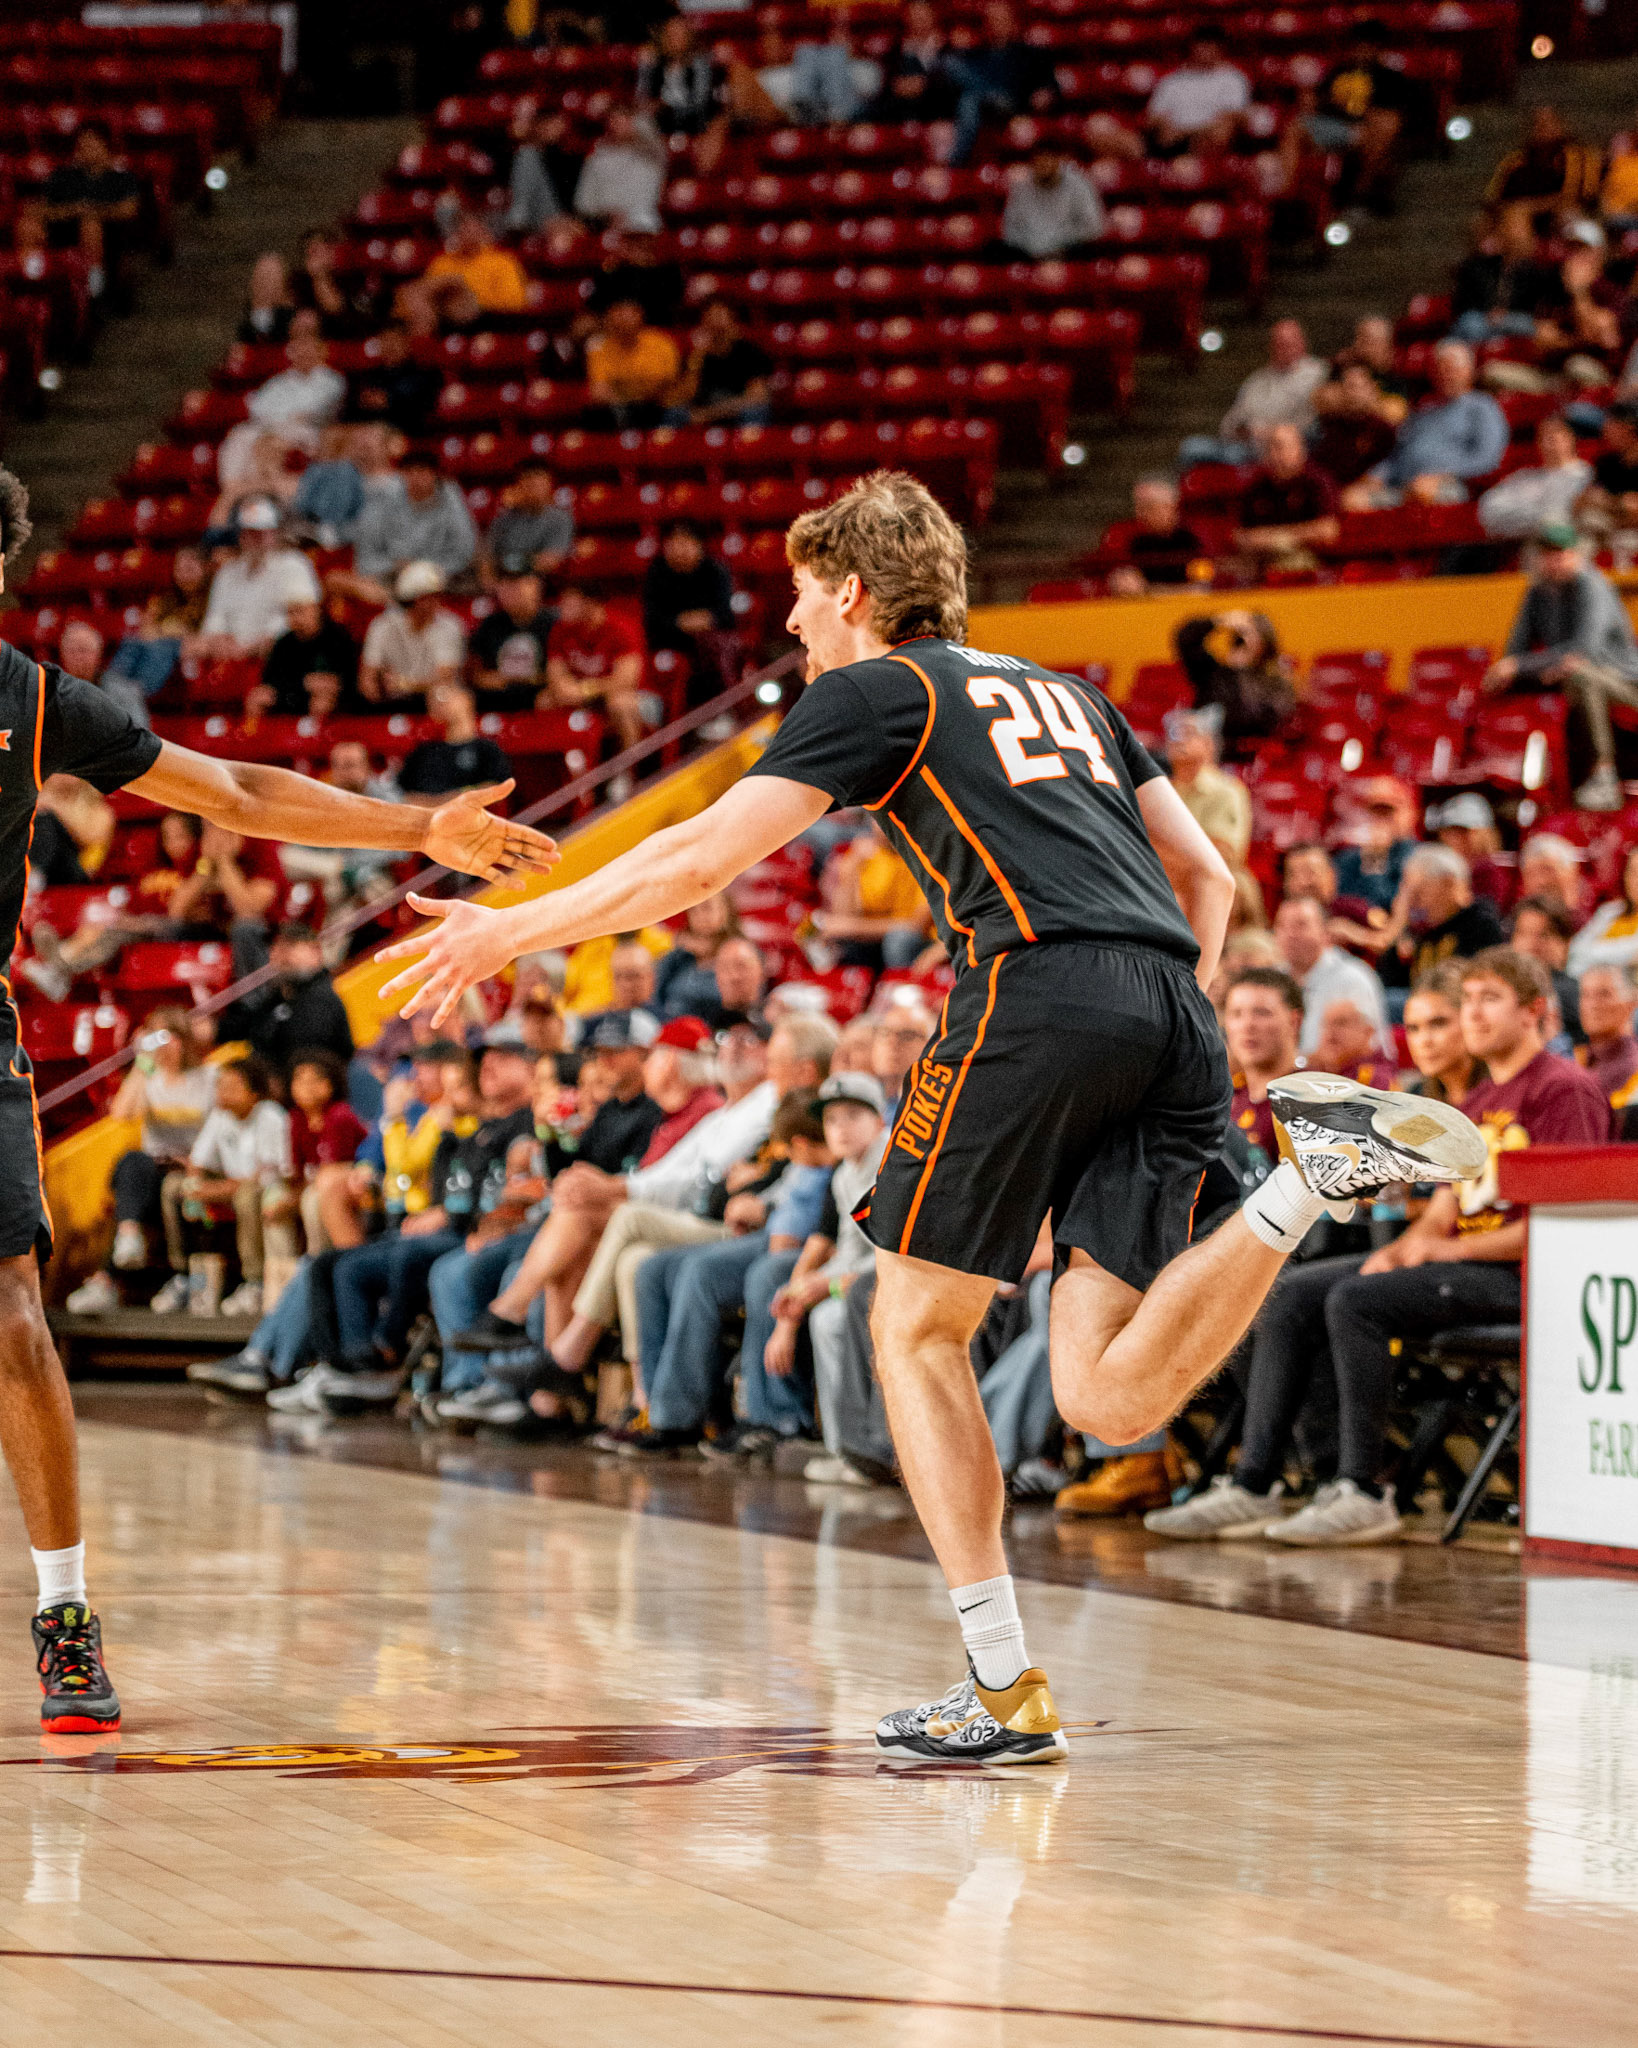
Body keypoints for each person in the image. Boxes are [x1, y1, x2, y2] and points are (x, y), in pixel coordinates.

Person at [379, 468, 1487, 1764]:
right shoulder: (1072, 694)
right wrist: (1153, 1016)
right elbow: (1206, 871)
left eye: (803, 598)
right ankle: (1309, 1179)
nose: (792, 626)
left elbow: (697, 859)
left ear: (852, 591)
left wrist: (511, 930)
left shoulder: (875, 690)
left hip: (1034, 990)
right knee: (1106, 1396)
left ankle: (1001, 1685)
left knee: (910, 1323)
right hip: (1169, 1004)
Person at [0, 461, 559, 1731]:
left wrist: (415, 828)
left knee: (14, 1314)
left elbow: (238, 792)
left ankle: (65, 1613)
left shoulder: (28, 701)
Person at [1262, 949, 1610, 1547]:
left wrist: (1442, 1254)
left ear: (1533, 1011)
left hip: (1528, 1275)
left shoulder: (1563, 1089)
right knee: (1296, 1291)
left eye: (1489, 999)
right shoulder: (1475, 1102)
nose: (1473, 1013)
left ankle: (1366, 1489)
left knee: (1355, 1301)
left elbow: (1562, 1225)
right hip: (1468, 1266)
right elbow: (1444, 1212)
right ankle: (1273, 1479)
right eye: (1467, 999)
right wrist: (1402, 1251)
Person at [65, 1011, 219, 1315]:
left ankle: (119, 1276)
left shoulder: (209, 1077)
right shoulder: (150, 1078)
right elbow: (121, 1114)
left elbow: (221, 1130)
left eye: (166, 1036)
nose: (162, 1044)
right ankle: (126, 1244)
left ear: (182, 1039)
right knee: (132, 1164)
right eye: (153, 1036)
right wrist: (141, 1064)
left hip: (200, 1166)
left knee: (158, 1186)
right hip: (155, 1169)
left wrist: (194, 1162)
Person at [1482, 524, 1638, 812]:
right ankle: (1510, 781)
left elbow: (1585, 650)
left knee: (1580, 675)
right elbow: (1515, 651)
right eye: (1548, 554)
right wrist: (1522, 668)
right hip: (1571, 677)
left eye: (1561, 553)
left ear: (1576, 554)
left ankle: (1603, 774)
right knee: (1503, 681)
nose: (1555, 560)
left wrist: (1524, 665)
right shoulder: (1537, 592)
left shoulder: (1591, 585)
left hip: (1626, 683)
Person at [150, 1053, 292, 1320]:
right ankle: (184, 1273)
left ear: (254, 1093)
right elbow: (197, 1161)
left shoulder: (271, 1116)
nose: (222, 1092)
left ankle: (254, 1282)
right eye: (220, 1085)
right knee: (173, 1187)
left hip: (266, 1192)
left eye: (231, 1086)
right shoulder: (220, 1116)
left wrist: (212, 1191)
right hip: (229, 1186)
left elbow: (265, 1178)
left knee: (247, 1196)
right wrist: (193, 1186)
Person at [1341, 341, 1509, 510]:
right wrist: (1376, 476)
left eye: (1451, 369)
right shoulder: (1423, 410)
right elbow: (1398, 455)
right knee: (1351, 500)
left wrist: (1441, 476)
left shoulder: (1483, 406)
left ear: (1469, 371)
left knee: (1422, 493)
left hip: (1455, 486)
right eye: (1440, 369)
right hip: (1404, 487)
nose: (1445, 375)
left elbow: (1488, 458)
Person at [1178, 320, 1326, 471]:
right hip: (1242, 444)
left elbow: (1310, 424)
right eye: (1279, 343)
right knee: (1192, 446)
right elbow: (1230, 423)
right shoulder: (1257, 380)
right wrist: (1243, 430)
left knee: (1231, 455)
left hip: (1280, 448)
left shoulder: (1318, 374)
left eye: (1289, 343)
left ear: (1302, 343)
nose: (1284, 348)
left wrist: (1266, 432)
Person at [198, 499, 322, 660]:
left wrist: (257, 644)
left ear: (274, 533)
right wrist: (220, 640)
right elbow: (215, 618)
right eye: (249, 533)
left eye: (261, 533)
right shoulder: (228, 572)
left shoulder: (294, 565)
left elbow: (304, 617)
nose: (254, 539)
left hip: (277, 656)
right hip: (229, 656)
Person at [1375, 845, 1506, 998]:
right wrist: (1399, 930)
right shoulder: (1417, 929)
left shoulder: (1480, 925)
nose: (1413, 901)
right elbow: (1386, 980)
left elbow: (1467, 987)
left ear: (1448, 883)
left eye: (1419, 891)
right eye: (1409, 892)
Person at [1308, 20, 1409, 214]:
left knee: (1385, 128)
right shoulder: (1338, 72)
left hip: (1368, 131)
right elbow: (1318, 103)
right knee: (1296, 127)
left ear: (1377, 48)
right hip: (1335, 126)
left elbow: (1394, 114)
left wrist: (1363, 116)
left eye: (1367, 45)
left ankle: (1361, 192)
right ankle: (1285, 195)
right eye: (1357, 45)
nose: (1361, 50)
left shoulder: (1390, 78)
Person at [226, 921, 355, 1072]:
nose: (278, 953)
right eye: (275, 947)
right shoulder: (278, 998)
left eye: (290, 946)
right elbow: (246, 1025)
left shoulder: (321, 1000)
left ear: (315, 952)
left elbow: (306, 1058)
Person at [942, 1, 1056, 167]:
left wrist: (1046, 92)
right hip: (986, 104)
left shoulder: (1030, 54)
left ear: (1013, 22)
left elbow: (1050, 85)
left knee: (969, 97)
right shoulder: (977, 54)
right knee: (961, 84)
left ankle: (958, 159)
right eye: (993, 20)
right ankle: (959, 160)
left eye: (1002, 19)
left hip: (1015, 104)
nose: (997, 25)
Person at [1271, 895, 1388, 1055]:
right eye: (1282, 925)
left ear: (1326, 933)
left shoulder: (1354, 979)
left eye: (1301, 925)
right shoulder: (1271, 980)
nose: (1290, 934)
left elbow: (1371, 1047)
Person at [349, 453, 478, 597]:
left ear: (435, 474)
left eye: (422, 471)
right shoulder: (384, 497)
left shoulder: (450, 497)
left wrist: (423, 569)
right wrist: (395, 566)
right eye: (409, 472)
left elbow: (464, 552)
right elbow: (365, 558)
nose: (416, 478)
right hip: (391, 579)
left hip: (442, 580)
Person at [545, 585, 646, 757]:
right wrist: (563, 687)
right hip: (583, 696)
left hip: (635, 696)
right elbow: (555, 672)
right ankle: (561, 766)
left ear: (591, 603)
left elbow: (626, 681)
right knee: (545, 701)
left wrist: (585, 690)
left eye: (569, 602)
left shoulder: (620, 628)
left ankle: (630, 767)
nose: (561, 607)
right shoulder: (560, 630)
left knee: (620, 704)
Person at [641, 523, 738, 700]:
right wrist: (679, 622)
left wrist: (707, 620)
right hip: (669, 640)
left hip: (708, 641)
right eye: (673, 543)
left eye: (685, 543)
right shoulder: (656, 572)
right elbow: (651, 617)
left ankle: (721, 706)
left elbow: (726, 614)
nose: (679, 549)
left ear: (699, 546)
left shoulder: (715, 570)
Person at [43, 124, 139, 301]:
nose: (87, 149)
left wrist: (94, 211)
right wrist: (72, 210)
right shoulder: (62, 176)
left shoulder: (121, 177)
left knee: (90, 225)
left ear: (105, 147)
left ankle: (94, 288)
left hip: (110, 234)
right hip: (65, 229)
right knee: (29, 226)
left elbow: (129, 210)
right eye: (82, 144)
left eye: (92, 143)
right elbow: (42, 208)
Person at [1173, 608, 1295, 747]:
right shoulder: (1214, 673)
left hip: (1245, 751)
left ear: (1264, 644)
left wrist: (1240, 672)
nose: (1240, 642)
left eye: (1245, 637)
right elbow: (1186, 640)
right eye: (1237, 639)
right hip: (1205, 750)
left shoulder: (1276, 680)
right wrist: (1218, 621)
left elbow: (1263, 723)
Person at [1231, 423, 1340, 578]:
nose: (1276, 455)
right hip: (1260, 562)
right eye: (1270, 448)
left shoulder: (1318, 482)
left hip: (1311, 563)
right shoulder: (1256, 487)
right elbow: (1240, 535)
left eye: (1281, 447)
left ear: (1300, 449)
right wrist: (1254, 541)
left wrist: (1277, 538)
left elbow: (1328, 531)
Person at [359, 563, 468, 705]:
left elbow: (445, 679)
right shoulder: (383, 625)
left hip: (435, 701)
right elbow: (367, 678)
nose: (435, 602)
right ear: (410, 600)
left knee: (451, 698)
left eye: (437, 596)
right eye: (427, 597)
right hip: (391, 701)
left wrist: (405, 684)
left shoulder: (449, 626)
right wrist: (376, 691)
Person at [1477, 415, 1592, 542]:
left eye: (1557, 432)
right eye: (1544, 435)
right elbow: (1489, 511)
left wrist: (1532, 516)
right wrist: (1540, 522)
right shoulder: (1524, 477)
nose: (1550, 438)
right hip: (1525, 543)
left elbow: (1566, 518)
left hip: (1574, 544)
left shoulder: (1587, 476)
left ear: (1571, 438)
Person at [398, 681, 513, 801]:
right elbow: (406, 796)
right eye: (431, 699)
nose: (438, 703)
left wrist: (451, 799)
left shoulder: (487, 749)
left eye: (443, 695)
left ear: (466, 699)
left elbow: (497, 787)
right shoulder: (423, 752)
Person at [668, 301, 772, 428]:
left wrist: (710, 414)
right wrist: (696, 358)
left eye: (719, 315)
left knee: (755, 413)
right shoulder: (698, 354)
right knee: (674, 413)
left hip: (735, 408)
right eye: (710, 316)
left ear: (732, 320)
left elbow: (758, 397)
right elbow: (685, 396)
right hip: (706, 407)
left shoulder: (749, 352)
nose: (715, 322)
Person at [1145, 31, 1250, 156]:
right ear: (1192, 48)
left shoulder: (1233, 78)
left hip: (1206, 136)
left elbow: (1233, 115)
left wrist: (1189, 132)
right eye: (1201, 45)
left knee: (1221, 131)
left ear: (1220, 49)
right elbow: (1154, 116)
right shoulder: (1172, 80)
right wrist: (1165, 125)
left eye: (1210, 45)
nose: (1205, 50)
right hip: (1172, 137)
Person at [584, 298, 681, 432]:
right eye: (617, 313)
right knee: (595, 416)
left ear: (639, 315)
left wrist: (622, 390)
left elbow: (662, 387)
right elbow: (599, 393)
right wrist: (633, 395)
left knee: (677, 414)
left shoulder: (661, 343)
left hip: (660, 408)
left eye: (626, 313)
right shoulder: (599, 346)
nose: (622, 320)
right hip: (622, 410)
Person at [1103, 478, 1207, 596]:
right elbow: (1129, 585)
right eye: (1140, 508)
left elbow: (1200, 589)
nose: (1141, 514)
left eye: (1149, 507)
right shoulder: (1138, 542)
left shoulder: (1192, 540)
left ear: (1170, 507)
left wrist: (1151, 590)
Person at [470, 564, 556, 706]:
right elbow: (475, 673)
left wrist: (523, 680)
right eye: (503, 583)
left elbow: (562, 673)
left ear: (535, 586)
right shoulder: (490, 625)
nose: (509, 589)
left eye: (516, 583)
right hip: (495, 698)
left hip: (539, 695)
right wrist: (486, 679)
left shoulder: (554, 624)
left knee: (548, 700)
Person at [1402, 963, 1486, 1105]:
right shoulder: (1413, 1100)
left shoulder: (1508, 1094)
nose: (1424, 1041)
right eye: (1413, 1028)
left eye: (1438, 1024)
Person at [245, 320, 347, 438]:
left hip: (314, 432)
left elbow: (313, 413)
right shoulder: (278, 381)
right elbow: (257, 408)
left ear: (321, 351)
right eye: (298, 348)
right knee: (241, 435)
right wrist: (279, 421)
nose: (302, 353)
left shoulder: (332, 380)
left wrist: (282, 418)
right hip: (271, 429)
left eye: (308, 348)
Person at [574, 107, 668, 235]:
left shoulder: (651, 155)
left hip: (645, 222)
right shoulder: (597, 159)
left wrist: (637, 123)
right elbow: (583, 204)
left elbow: (653, 142)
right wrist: (606, 217)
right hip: (605, 225)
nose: (618, 125)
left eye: (625, 119)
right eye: (613, 120)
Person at [1000, 150, 1107, 261]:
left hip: (1069, 249)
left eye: (1047, 162)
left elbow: (1094, 227)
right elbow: (1009, 230)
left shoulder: (1080, 185)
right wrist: (1034, 248)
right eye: (1039, 164)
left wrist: (1058, 245)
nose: (1044, 167)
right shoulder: (1021, 189)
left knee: (1094, 251)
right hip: (1030, 252)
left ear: (1058, 162)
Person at [263, 598, 361, 716]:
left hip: (333, 698)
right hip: (293, 694)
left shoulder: (338, 637)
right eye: (290, 613)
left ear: (316, 609)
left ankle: (315, 728)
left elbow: (350, 677)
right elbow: (271, 680)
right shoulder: (284, 643)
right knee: (260, 696)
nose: (296, 618)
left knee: (322, 700)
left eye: (300, 611)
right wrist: (304, 682)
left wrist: (330, 683)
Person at [421, 212, 529, 319]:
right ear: (456, 232)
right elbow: (425, 296)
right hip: (445, 320)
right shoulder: (442, 263)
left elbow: (514, 302)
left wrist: (472, 302)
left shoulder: (503, 262)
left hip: (489, 320)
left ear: (483, 231)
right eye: (464, 228)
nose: (469, 234)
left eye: (473, 228)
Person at [347, 323, 442, 437]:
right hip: (368, 433)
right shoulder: (369, 377)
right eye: (386, 340)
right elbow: (353, 410)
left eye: (395, 340)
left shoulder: (424, 374)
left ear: (407, 343)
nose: (390, 346)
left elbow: (418, 410)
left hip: (405, 434)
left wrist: (389, 400)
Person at [1510, 894, 1584, 1042]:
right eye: (1523, 933)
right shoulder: (1501, 987)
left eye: (1543, 935)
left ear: (1566, 942)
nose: (1531, 944)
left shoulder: (1574, 993)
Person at [482, 465, 574, 583]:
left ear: (549, 486)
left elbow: (549, 562)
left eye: (539, 485)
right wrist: (491, 583)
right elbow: (486, 558)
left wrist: (506, 563)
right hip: (504, 581)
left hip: (543, 581)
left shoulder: (560, 518)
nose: (534, 491)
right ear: (519, 486)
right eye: (529, 485)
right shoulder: (504, 518)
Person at [1568, 847, 1638, 979]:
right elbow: (1575, 950)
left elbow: (1632, 950)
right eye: (1632, 872)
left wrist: (1591, 955)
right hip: (1584, 981)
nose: (1636, 880)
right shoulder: (1609, 911)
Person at [1576, 963, 1638, 1106]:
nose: (1593, 1005)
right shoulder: (1578, 1056)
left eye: (1604, 994)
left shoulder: (1632, 1067)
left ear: (1631, 1003)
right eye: (1586, 995)